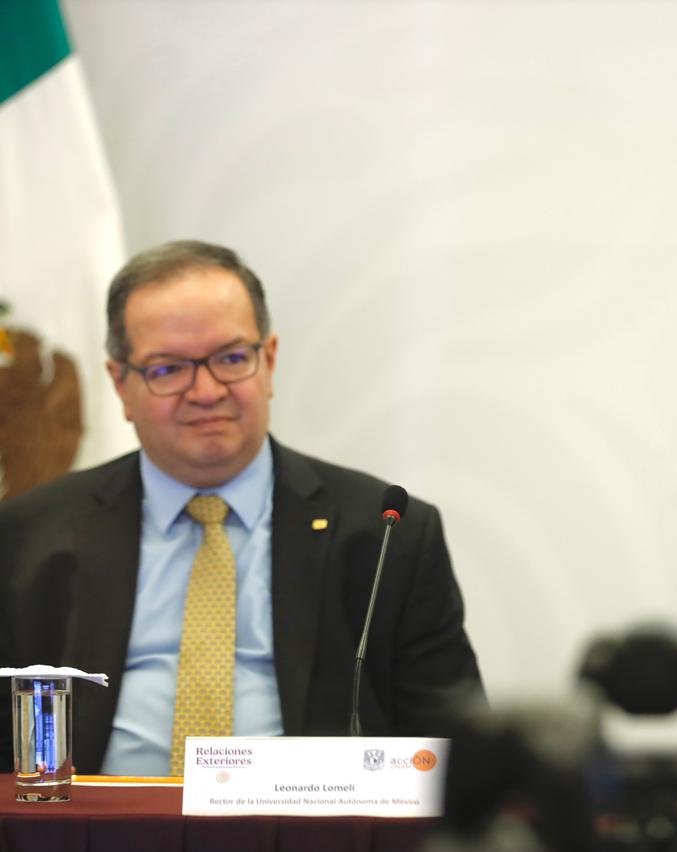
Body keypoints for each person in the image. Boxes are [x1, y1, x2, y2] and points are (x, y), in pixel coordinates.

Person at [0, 240, 483, 775]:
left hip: (309, 819)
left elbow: (457, 752)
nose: (207, 392)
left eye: (231, 359)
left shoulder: (388, 535)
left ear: (268, 362)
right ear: (121, 384)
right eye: (169, 368)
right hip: (95, 817)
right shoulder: (26, 537)